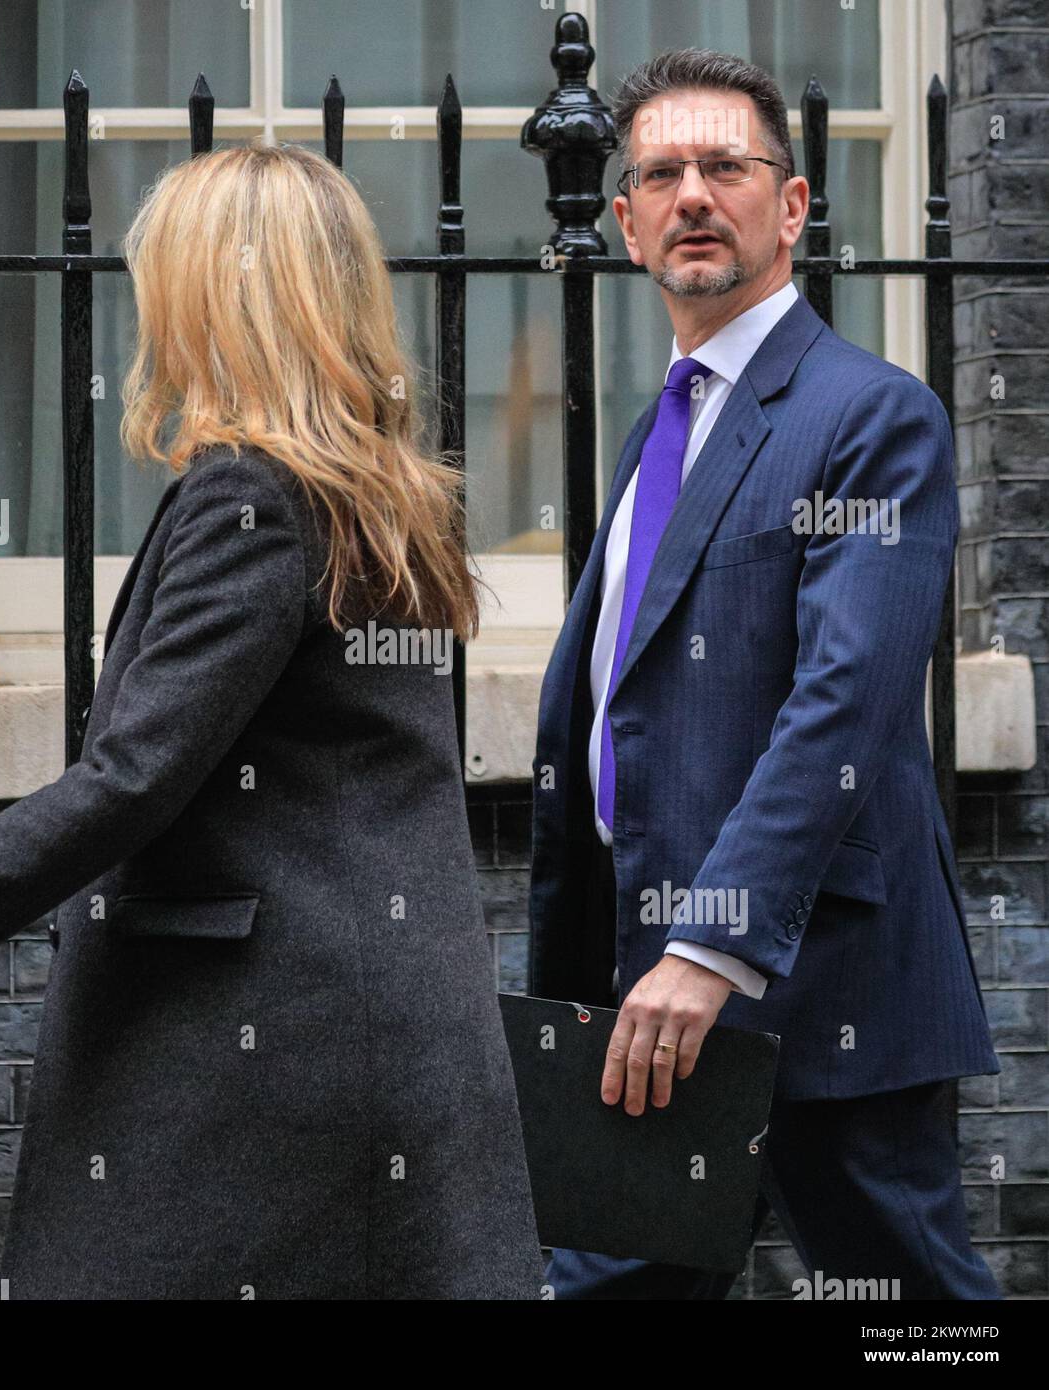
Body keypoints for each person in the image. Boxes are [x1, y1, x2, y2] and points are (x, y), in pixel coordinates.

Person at [0, 142, 544, 1301]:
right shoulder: (382, 492)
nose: (148, 307)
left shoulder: (257, 495)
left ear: (223, 291)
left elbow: (133, 776)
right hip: (374, 1021)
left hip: (266, 1038)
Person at [529, 48, 1002, 1299]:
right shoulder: (661, 429)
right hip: (643, 999)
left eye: (724, 167)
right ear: (624, 224)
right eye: (661, 174)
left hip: (818, 988)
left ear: (788, 208)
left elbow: (839, 704)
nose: (692, 194)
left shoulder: (871, 416)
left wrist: (713, 947)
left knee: (910, 1307)